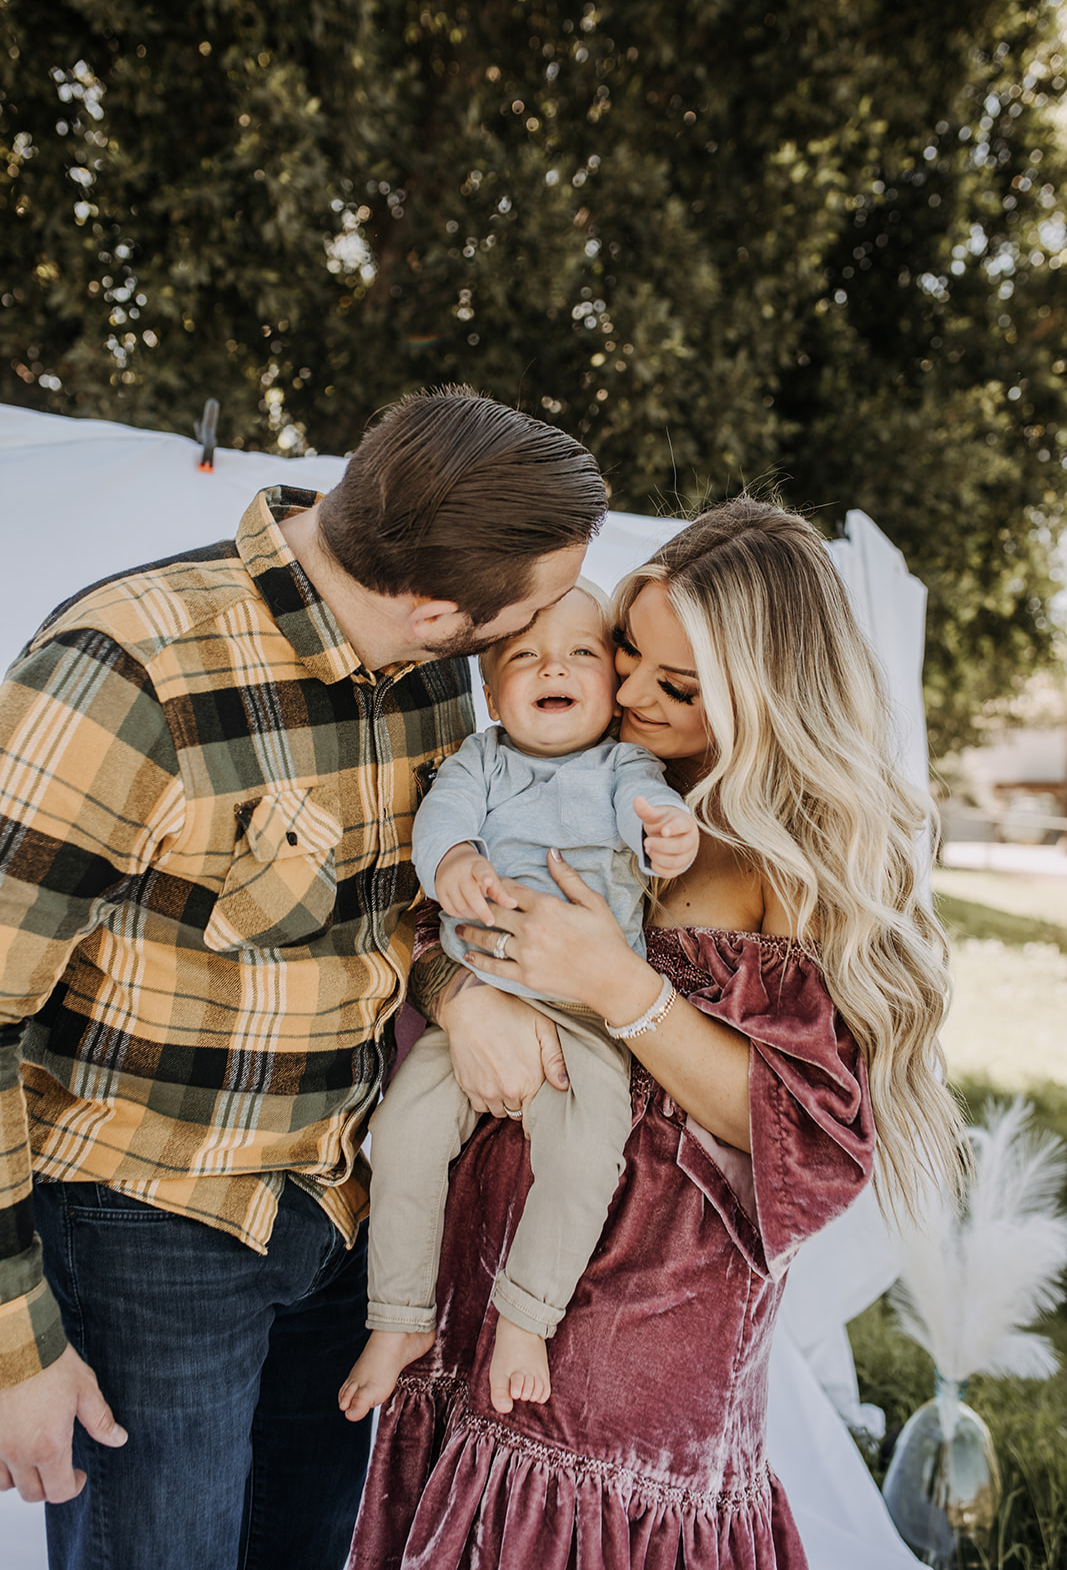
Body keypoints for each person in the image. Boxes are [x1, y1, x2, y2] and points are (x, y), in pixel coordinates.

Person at [0, 384, 607, 1570]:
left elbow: (395, 924)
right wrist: (14, 1340)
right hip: (149, 1228)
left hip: (341, 1214)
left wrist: (463, 991)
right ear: (440, 613)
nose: (539, 639)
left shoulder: (435, 677)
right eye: (528, 613)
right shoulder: (123, 672)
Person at [348, 492, 968, 1570]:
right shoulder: (569, 774)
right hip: (493, 1258)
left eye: (673, 686)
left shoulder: (786, 860)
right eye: (623, 651)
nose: (625, 692)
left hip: (640, 1324)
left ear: (758, 697)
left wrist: (614, 980)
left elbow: (807, 1136)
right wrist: (463, 996)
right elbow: (425, 922)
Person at [339, 581, 700, 1422]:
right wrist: (456, 857)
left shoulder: (625, 764)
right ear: (491, 690)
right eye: (523, 657)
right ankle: (398, 1316)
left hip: (585, 1020)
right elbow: (443, 821)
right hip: (481, 993)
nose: (554, 667)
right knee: (401, 1137)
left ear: (610, 686)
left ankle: (525, 1316)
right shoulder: (481, 759)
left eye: (581, 652)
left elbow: (650, 811)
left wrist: (667, 833)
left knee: (583, 1159)